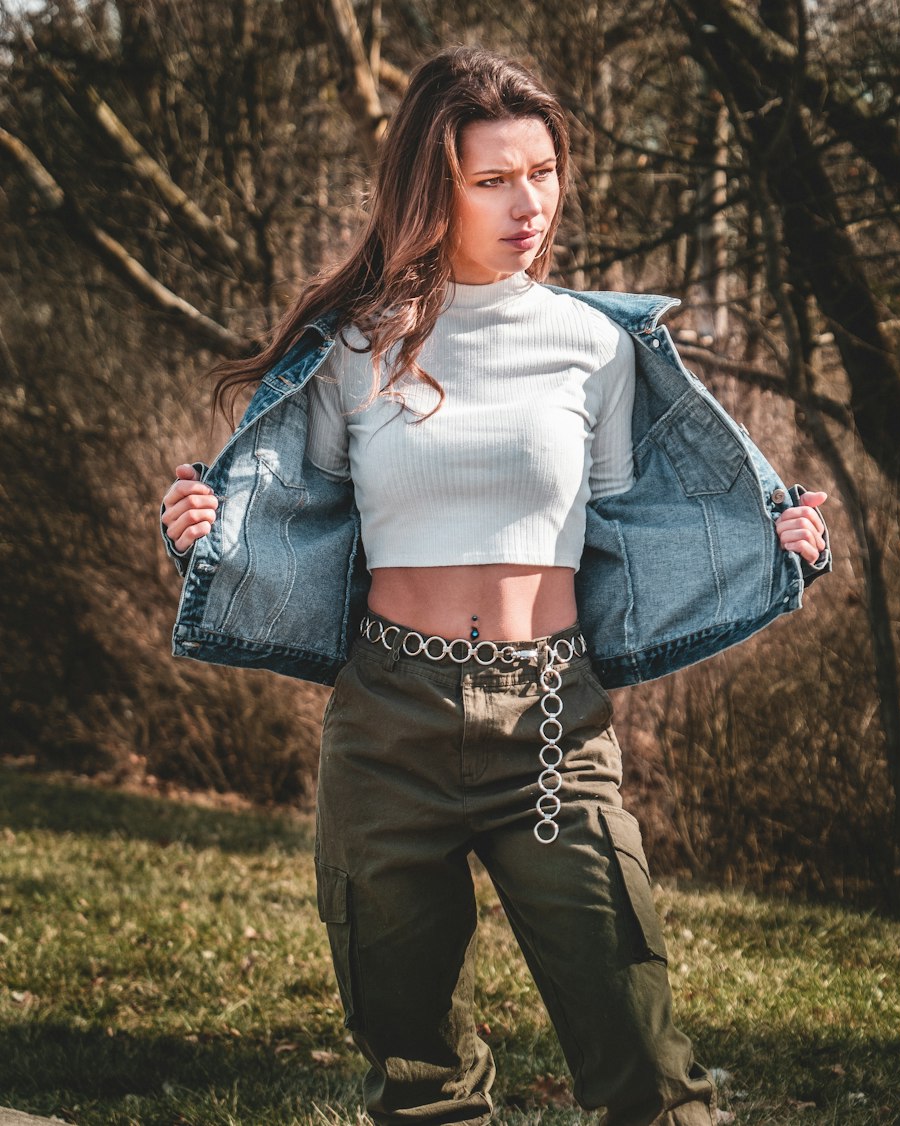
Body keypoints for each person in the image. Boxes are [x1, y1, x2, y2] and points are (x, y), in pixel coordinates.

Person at [160, 46, 829, 1126]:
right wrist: (202, 531)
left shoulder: (594, 346)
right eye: (493, 180)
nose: (530, 204)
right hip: (388, 723)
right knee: (418, 1083)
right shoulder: (356, 348)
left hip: (553, 720)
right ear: (434, 188)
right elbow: (290, 515)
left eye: (544, 172)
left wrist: (764, 539)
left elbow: (622, 523)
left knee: (650, 1073)